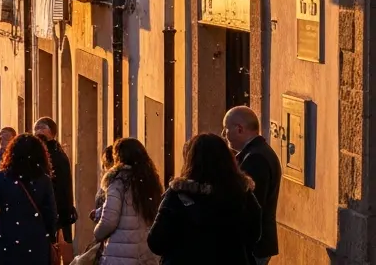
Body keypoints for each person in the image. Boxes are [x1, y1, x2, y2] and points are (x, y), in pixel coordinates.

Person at [146, 133, 262, 265]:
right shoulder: (242, 194)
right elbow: (254, 234)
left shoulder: (178, 195)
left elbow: (156, 242)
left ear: (190, 160)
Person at [0, 133, 57, 265]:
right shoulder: (43, 180)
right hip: (36, 240)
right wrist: (50, 235)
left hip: (7, 239)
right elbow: (51, 214)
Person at [89, 138, 162, 265]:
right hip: (145, 255)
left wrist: (97, 233)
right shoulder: (151, 182)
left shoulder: (118, 182)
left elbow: (109, 221)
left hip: (120, 256)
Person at [223, 106, 280, 265]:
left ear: (239, 129)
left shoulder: (255, 158)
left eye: (226, 129)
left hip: (253, 246)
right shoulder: (257, 153)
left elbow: (251, 204)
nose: (224, 135)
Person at [34, 117, 76, 259]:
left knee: (53, 251)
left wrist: (63, 213)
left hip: (54, 210)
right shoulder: (37, 152)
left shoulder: (56, 155)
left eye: (42, 128)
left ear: (52, 132)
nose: (38, 132)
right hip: (45, 211)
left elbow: (63, 188)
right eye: (36, 129)